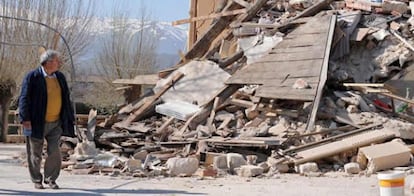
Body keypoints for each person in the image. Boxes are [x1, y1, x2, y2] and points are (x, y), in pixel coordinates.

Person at [19, 49, 75, 189]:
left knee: (54, 152)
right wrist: (25, 118)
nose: (59, 63)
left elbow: (66, 98)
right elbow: (24, 98)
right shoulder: (33, 76)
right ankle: (37, 179)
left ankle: (51, 179)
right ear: (48, 63)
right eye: (57, 60)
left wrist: (68, 118)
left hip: (56, 122)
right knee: (35, 153)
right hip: (36, 122)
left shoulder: (60, 77)